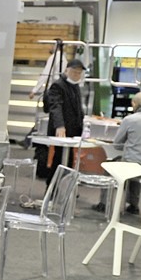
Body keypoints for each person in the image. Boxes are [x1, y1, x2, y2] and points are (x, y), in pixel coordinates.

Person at [38, 58, 86, 187]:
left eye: (79, 73)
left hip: (72, 131)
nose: (77, 75)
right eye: (74, 72)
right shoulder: (58, 85)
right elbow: (55, 106)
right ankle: (54, 188)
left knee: (66, 160)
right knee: (61, 160)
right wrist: (60, 126)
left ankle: (60, 188)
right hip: (62, 130)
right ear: (66, 70)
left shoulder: (75, 86)